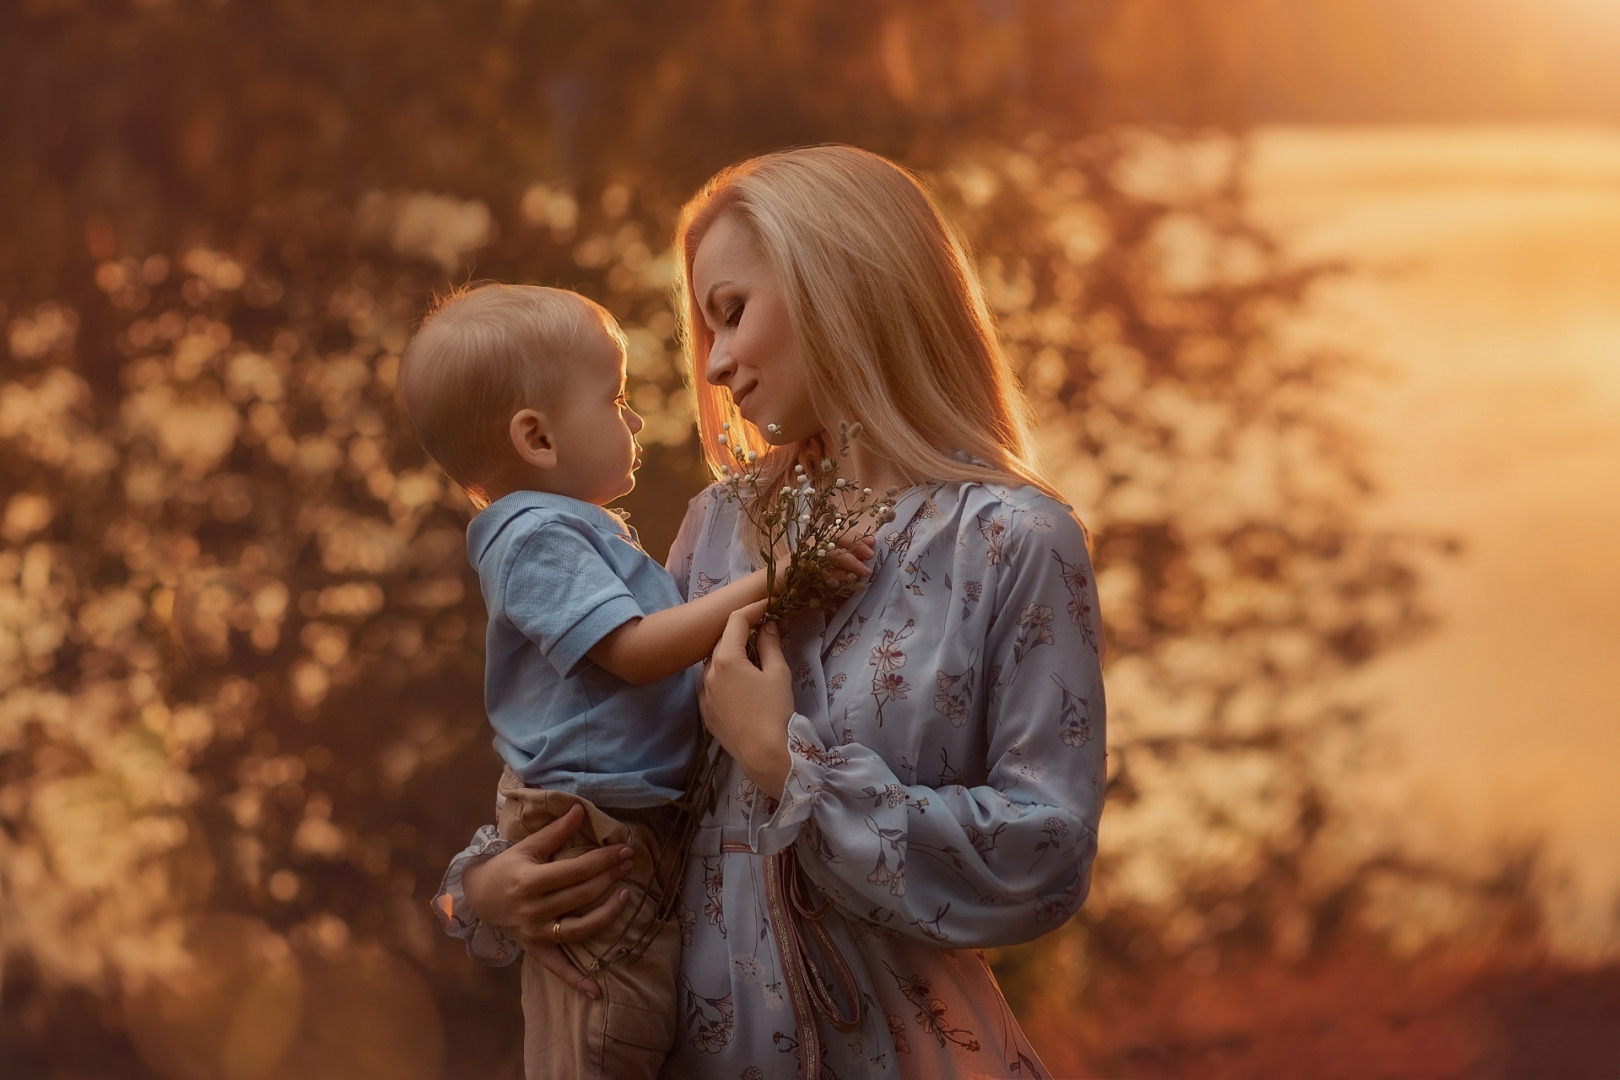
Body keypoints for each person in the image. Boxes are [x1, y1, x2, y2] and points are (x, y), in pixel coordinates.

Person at [438, 146, 1107, 1079]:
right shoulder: (721, 521)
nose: (712, 367)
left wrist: (786, 766)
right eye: (704, 328)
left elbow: (1047, 851)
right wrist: (492, 883)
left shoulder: (1012, 539)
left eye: (732, 313)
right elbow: (619, 744)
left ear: (839, 276)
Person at [398, 282, 873, 1079]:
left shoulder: (570, 529)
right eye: (614, 400)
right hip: (593, 825)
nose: (635, 419)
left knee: (631, 1026)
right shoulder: (535, 537)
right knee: (605, 1036)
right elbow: (637, 651)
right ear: (537, 438)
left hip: (622, 820)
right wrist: (777, 580)